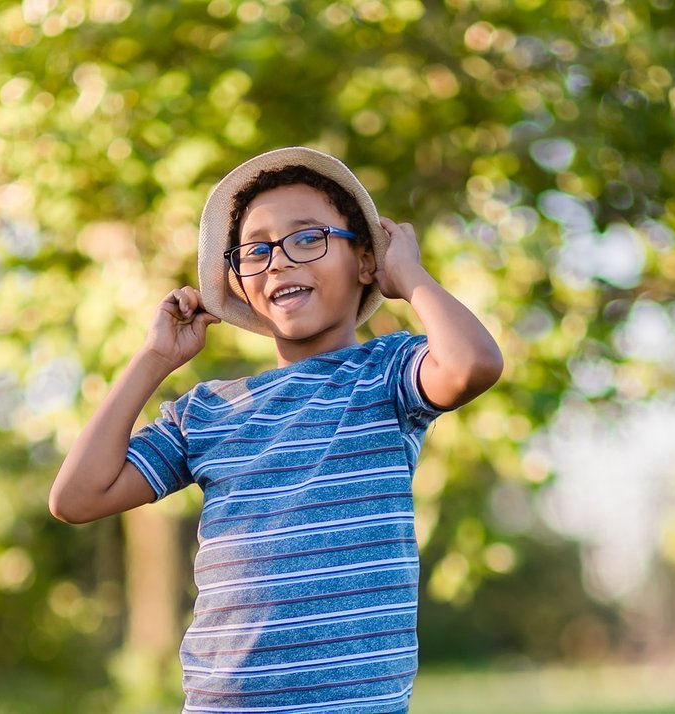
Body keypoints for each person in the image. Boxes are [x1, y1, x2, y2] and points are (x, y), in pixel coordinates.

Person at [50, 146, 503, 713]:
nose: (279, 261)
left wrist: (409, 275)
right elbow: (76, 497)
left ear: (367, 262)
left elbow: (472, 365)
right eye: (256, 251)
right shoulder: (208, 411)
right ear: (240, 284)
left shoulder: (387, 374)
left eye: (308, 238)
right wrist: (154, 359)